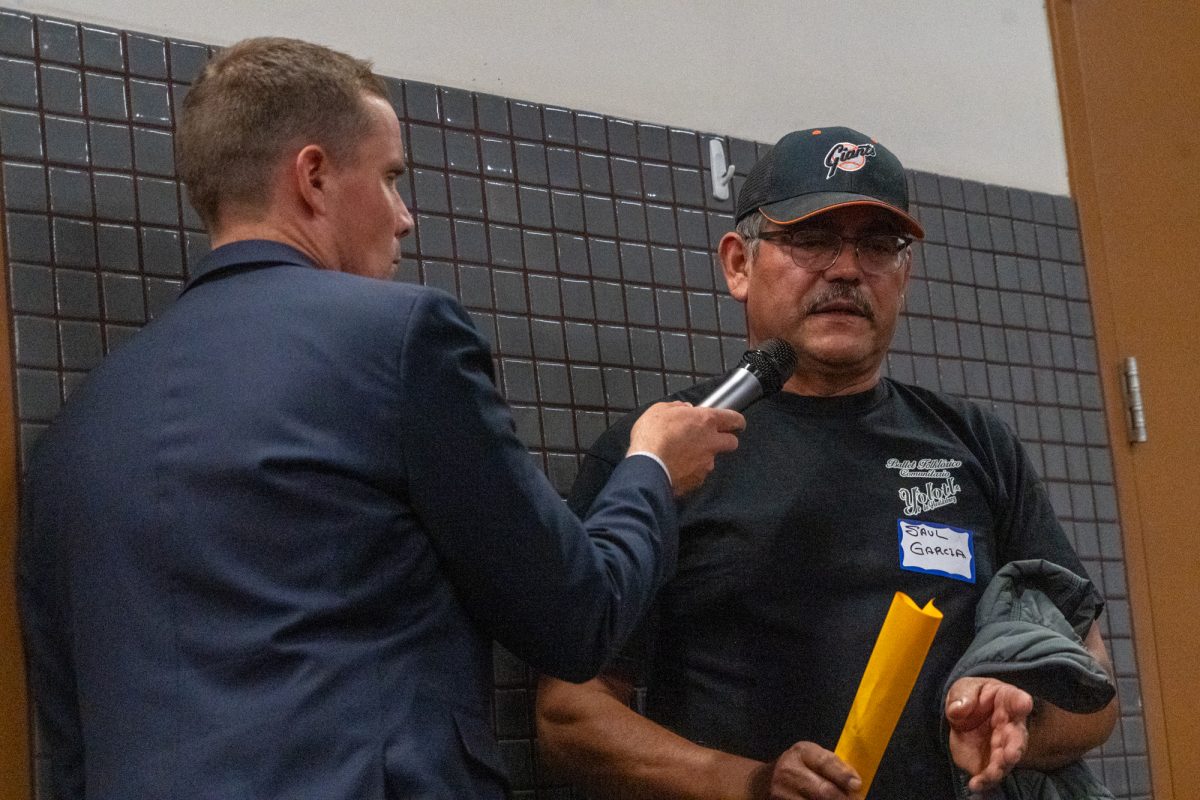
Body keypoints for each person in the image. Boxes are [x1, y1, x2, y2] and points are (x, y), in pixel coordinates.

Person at [15, 37, 745, 800]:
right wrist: (653, 471)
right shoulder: (398, 340)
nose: (405, 218)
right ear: (315, 176)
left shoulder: (80, 424)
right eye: (391, 178)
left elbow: (70, 737)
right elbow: (576, 617)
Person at [536, 127, 1118, 799]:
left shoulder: (975, 443)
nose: (846, 269)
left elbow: (1094, 696)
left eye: (877, 246)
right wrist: (752, 784)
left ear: (905, 275)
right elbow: (568, 716)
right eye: (811, 240)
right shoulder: (665, 447)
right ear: (738, 264)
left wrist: (1024, 723)